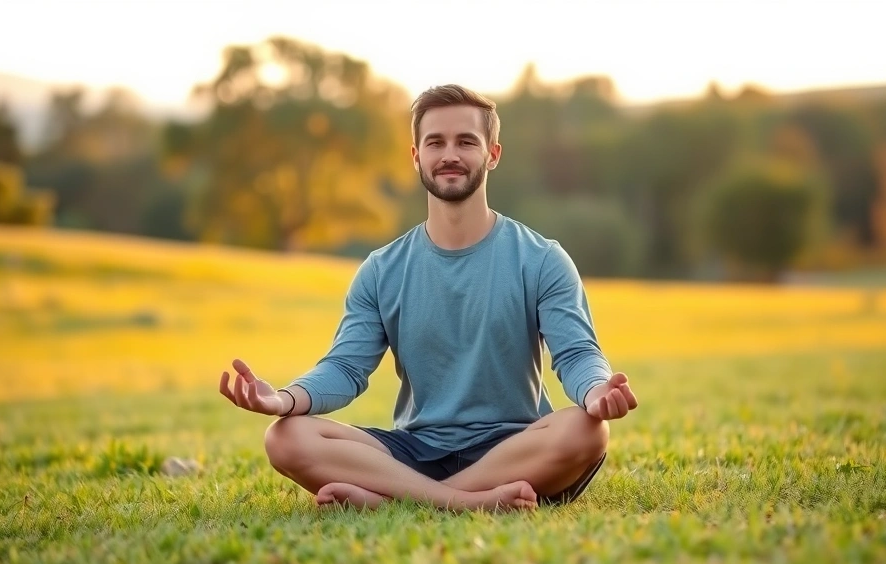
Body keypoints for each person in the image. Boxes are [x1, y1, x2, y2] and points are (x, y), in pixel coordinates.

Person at [218, 84, 638, 511]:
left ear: (492, 154)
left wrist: (597, 390)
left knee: (587, 430)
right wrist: (284, 399)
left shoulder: (542, 259)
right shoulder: (382, 270)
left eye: (466, 142)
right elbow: (345, 368)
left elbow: (576, 353)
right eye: (435, 142)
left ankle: (399, 498)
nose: (449, 155)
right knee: (286, 436)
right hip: (415, 450)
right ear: (415, 156)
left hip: (514, 449)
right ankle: (463, 502)